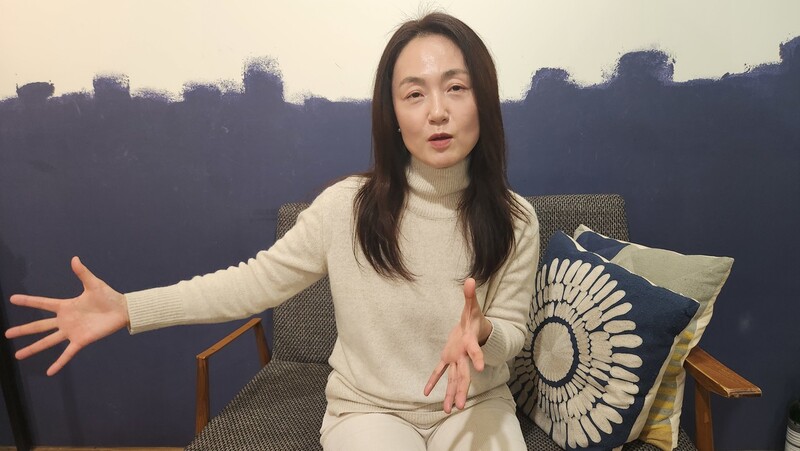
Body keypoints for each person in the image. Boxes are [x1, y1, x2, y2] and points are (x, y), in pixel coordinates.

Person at [5, 12, 540, 451]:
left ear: (483, 99)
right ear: (393, 114)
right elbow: (253, 283)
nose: (438, 111)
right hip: (370, 412)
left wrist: (484, 333)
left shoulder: (516, 220)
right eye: (415, 94)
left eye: (456, 87)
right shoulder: (346, 209)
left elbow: (513, 332)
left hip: (475, 406)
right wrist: (130, 308)